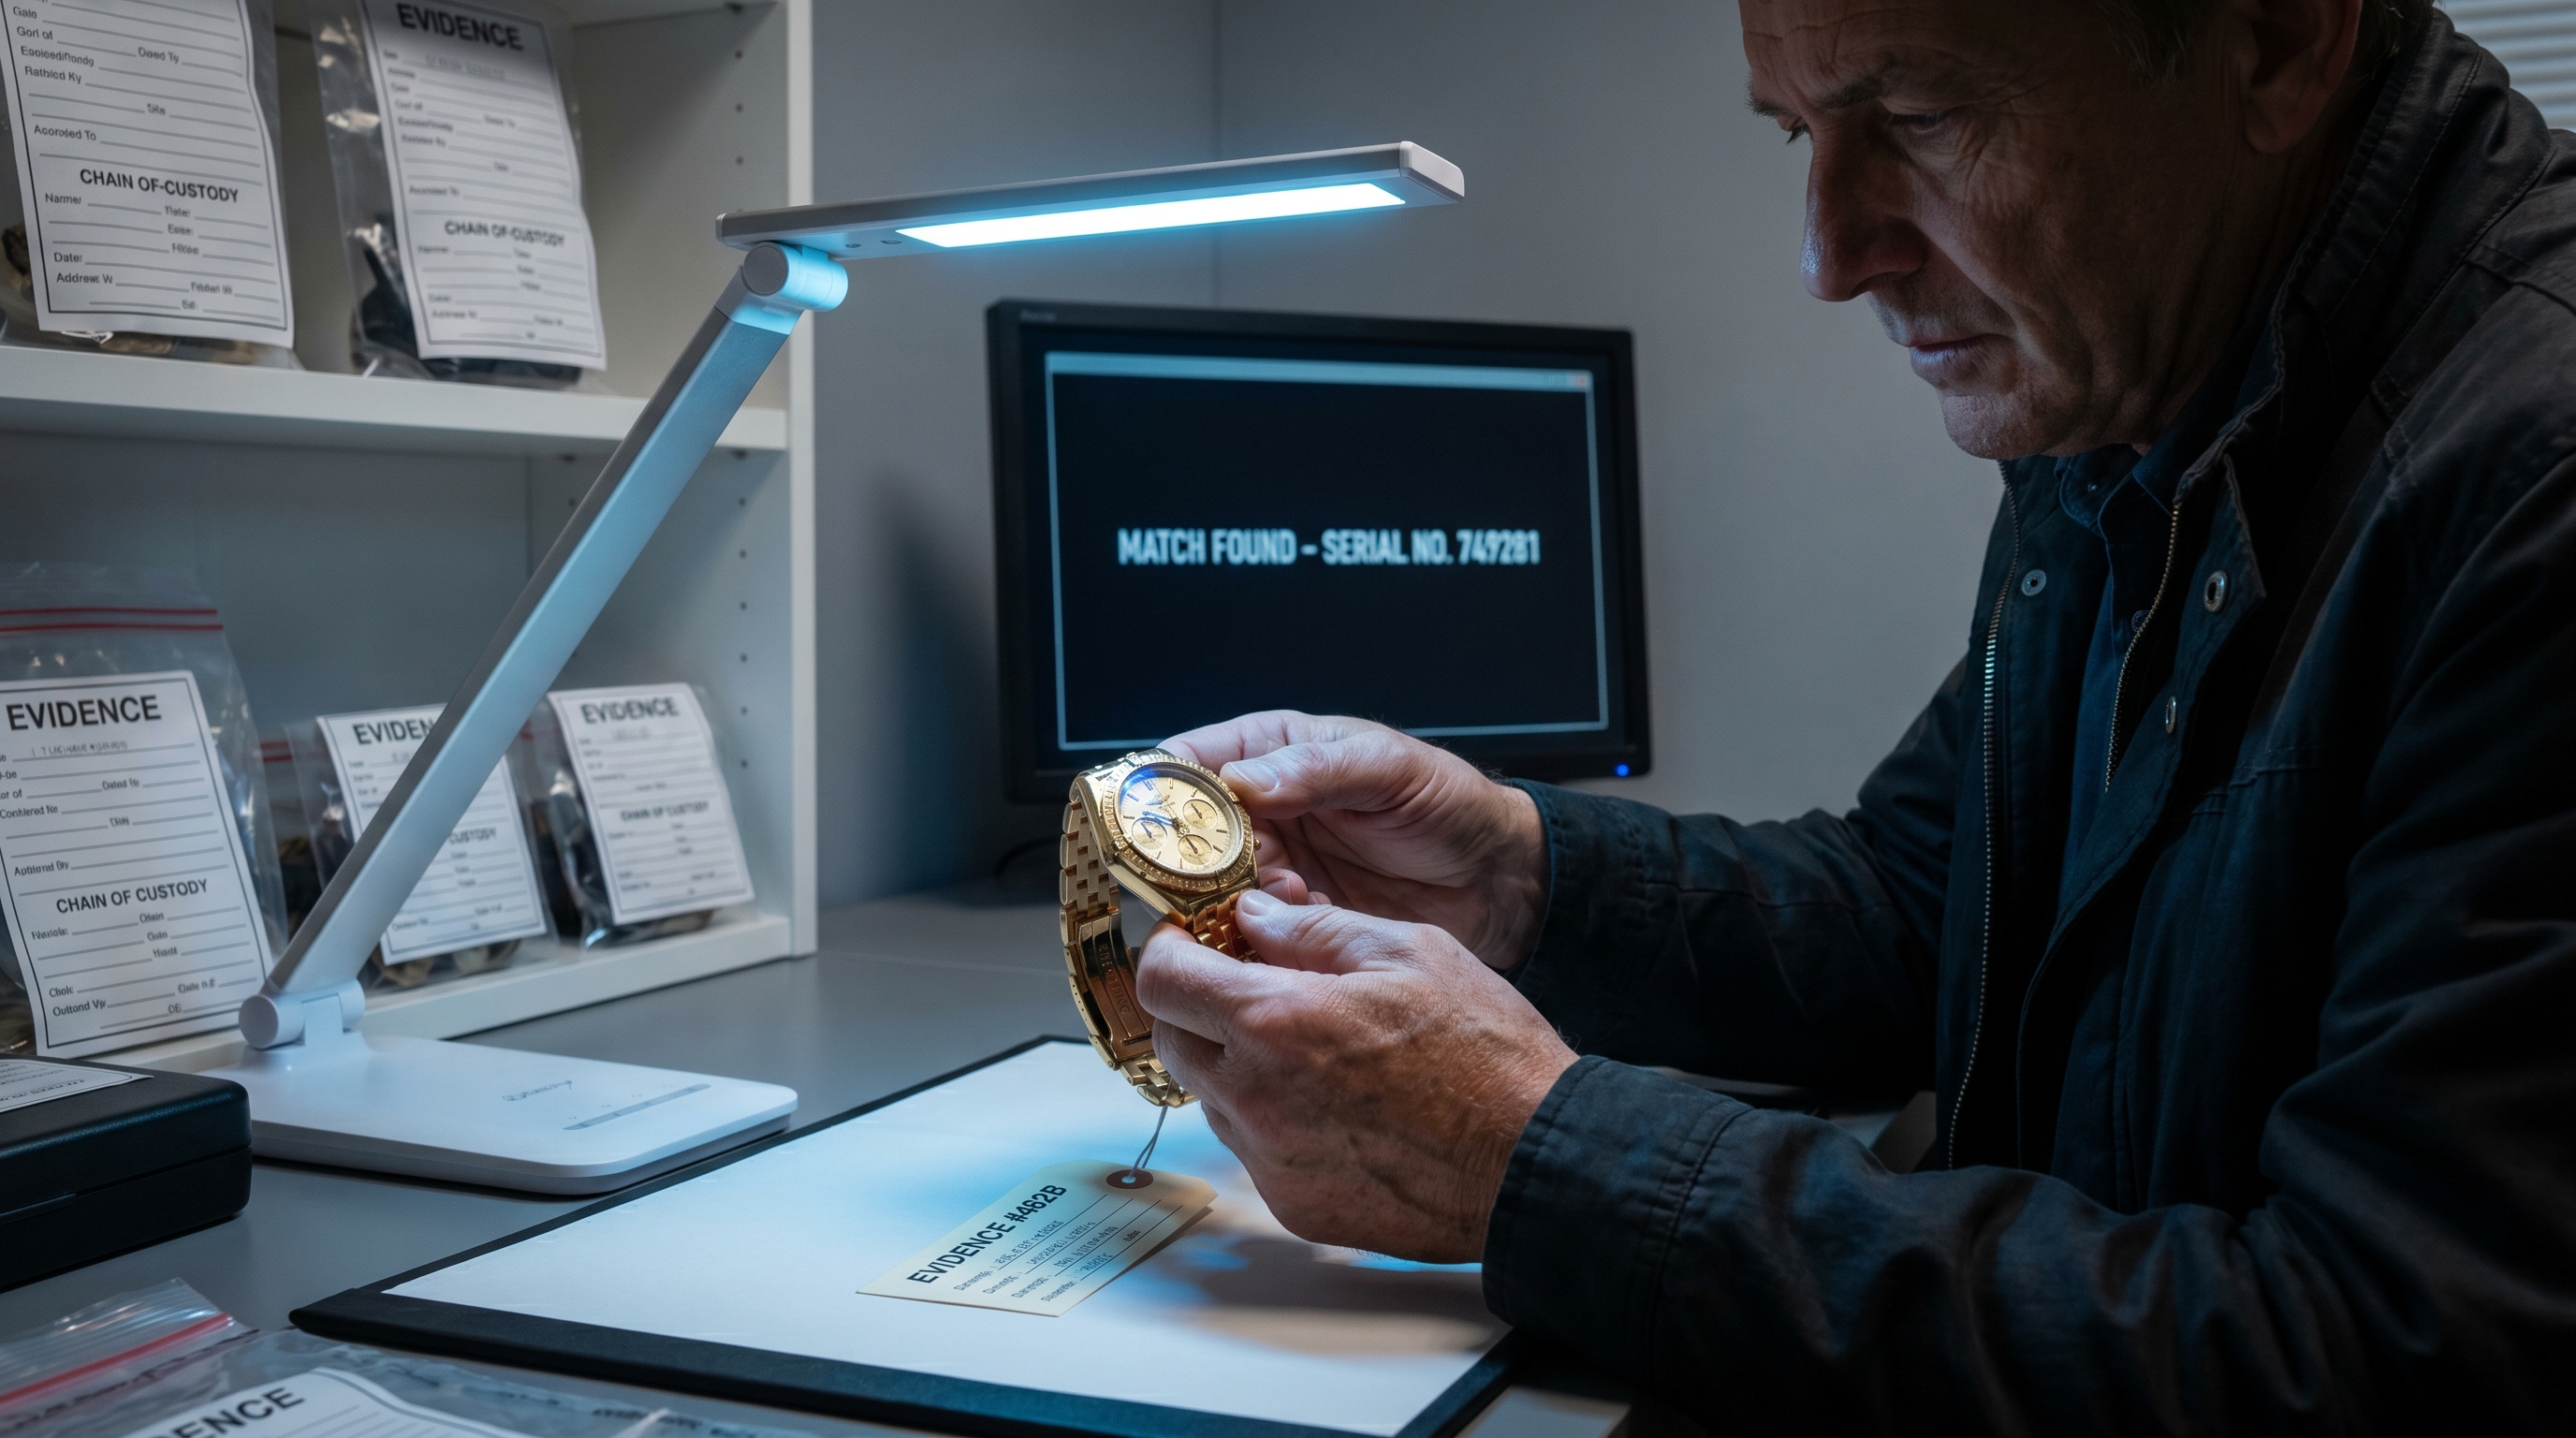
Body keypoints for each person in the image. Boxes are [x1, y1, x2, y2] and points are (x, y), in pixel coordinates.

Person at [1129, 0, 2576, 1430]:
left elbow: (2395, 1353)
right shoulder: (2138, 394)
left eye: (1925, 119)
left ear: (2272, 40)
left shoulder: (2533, 480)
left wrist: (1532, 1158)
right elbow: (1922, 902)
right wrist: (1515, 877)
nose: (1830, 257)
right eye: (1801, 134)